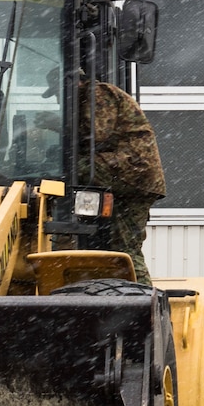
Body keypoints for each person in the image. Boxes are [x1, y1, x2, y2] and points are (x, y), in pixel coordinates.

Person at [75, 77, 166, 282]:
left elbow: (97, 134)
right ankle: (138, 297)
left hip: (131, 170)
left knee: (68, 168)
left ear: (75, 83)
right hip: (133, 175)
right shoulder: (92, 96)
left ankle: (143, 302)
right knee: (122, 245)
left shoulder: (97, 94)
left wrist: (54, 128)